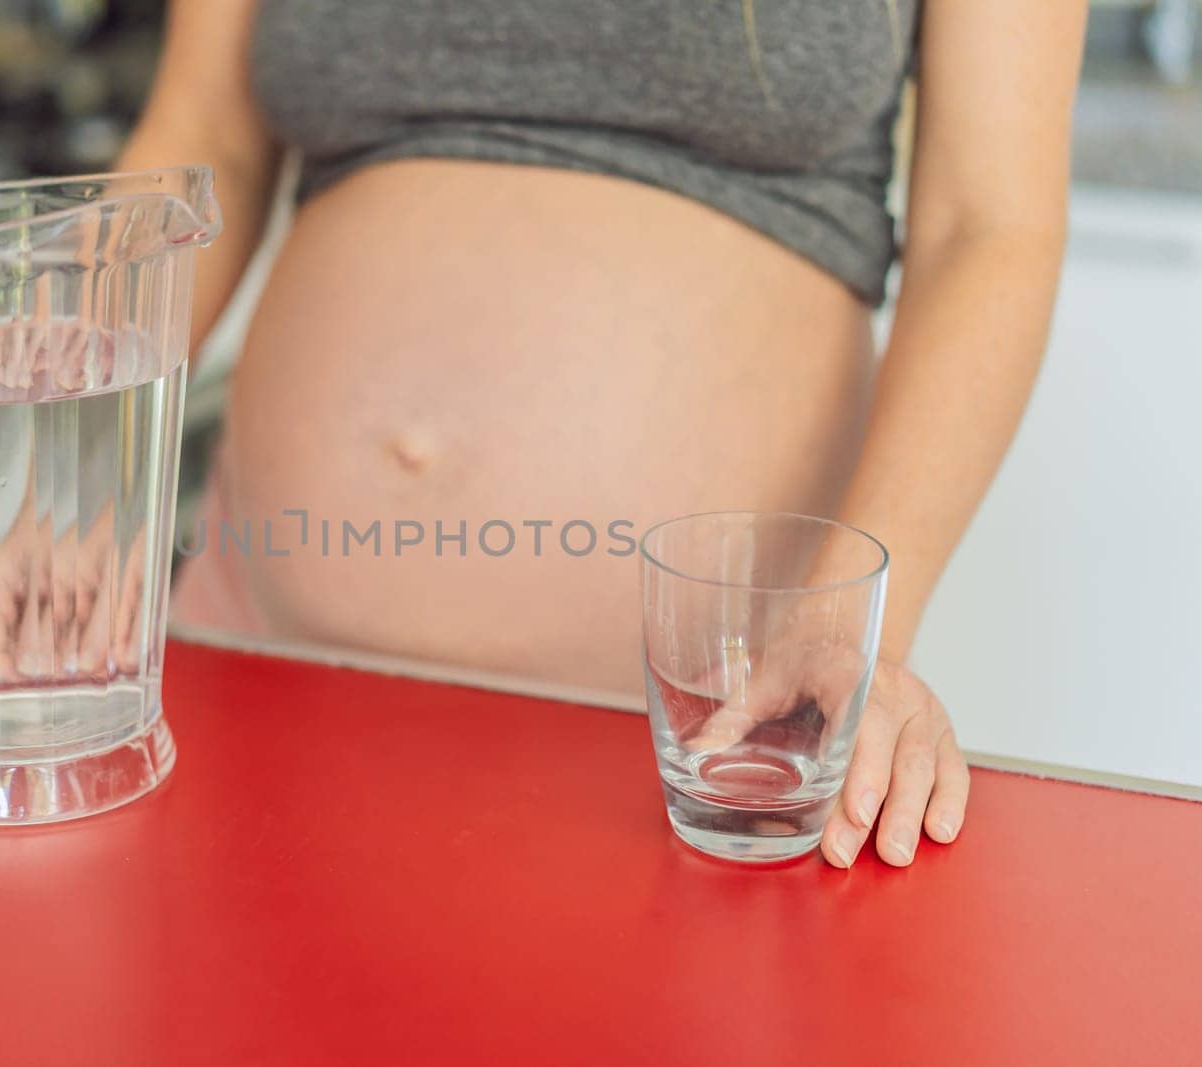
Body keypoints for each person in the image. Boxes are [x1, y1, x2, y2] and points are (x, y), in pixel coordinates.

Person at [115, 0, 1088, 868]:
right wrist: (52, 483)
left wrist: (849, 625)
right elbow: (205, 146)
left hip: (713, 726)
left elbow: (986, 227)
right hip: (256, 666)